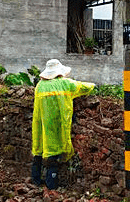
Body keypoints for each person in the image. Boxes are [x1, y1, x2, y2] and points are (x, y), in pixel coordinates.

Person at [31, 59, 95, 190]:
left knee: (39, 149)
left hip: (41, 123)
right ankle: (51, 185)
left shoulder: (40, 86)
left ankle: (36, 179)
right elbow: (85, 87)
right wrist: (94, 86)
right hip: (58, 123)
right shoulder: (66, 84)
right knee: (54, 154)